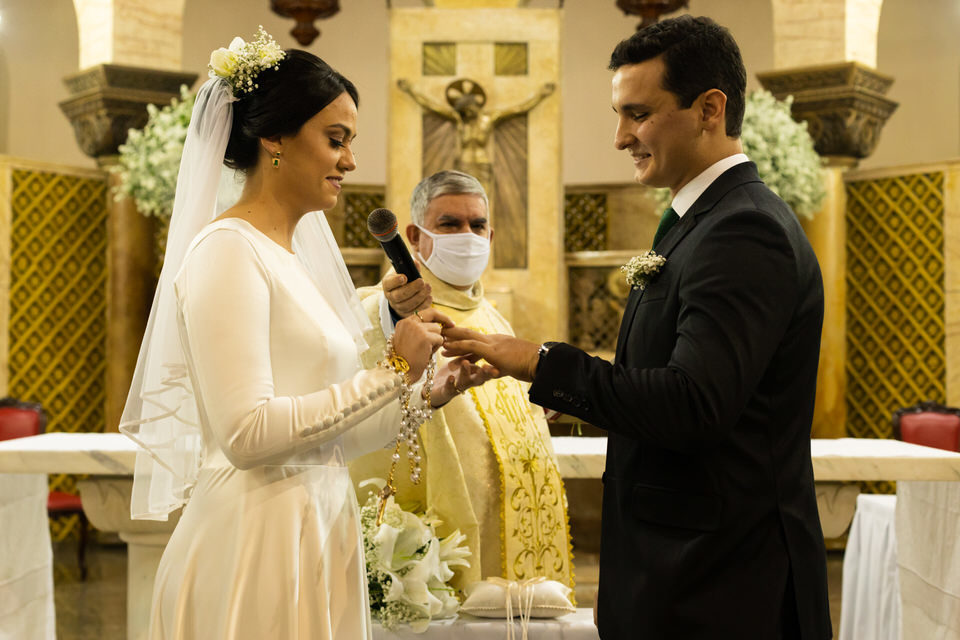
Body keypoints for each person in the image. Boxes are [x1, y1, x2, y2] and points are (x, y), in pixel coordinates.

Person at [442, 16, 832, 639]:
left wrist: (541, 361)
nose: (621, 136)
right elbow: (665, 383)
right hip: (679, 573)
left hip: (723, 589)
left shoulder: (743, 230)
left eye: (638, 114)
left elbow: (692, 403)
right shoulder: (699, 221)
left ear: (709, 109)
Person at [119, 29, 478, 639]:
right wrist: (390, 370)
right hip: (252, 541)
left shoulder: (291, 257)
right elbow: (246, 433)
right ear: (276, 137)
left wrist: (424, 390)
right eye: (335, 140)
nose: (350, 161)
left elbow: (329, 433)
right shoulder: (228, 252)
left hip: (315, 527)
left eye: (351, 142)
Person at [349, 170, 575, 592]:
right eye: (450, 224)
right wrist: (393, 312)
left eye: (477, 225)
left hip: (508, 516)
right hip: (439, 532)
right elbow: (374, 349)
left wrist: (532, 405)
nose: (467, 234)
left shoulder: (491, 314)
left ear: (491, 237)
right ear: (414, 237)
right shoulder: (385, 306)